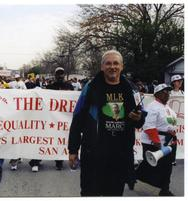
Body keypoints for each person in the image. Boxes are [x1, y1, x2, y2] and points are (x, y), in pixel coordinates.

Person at [68, 50, 146, 196]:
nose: (112, 67)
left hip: (120, 155)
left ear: (122, 66)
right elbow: (77, 118)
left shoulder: (131, 89)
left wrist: (138, 118)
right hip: (93, 154)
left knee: (114, 194)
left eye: (116, 63)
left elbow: (140, 120)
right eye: (108, 63)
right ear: (102, 67)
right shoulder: (91, 87)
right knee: (90, 194)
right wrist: (73, 149)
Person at [29, 67, 74, 172]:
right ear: (55, 75)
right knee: (45, 138)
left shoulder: (69, 86)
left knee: (60, 139)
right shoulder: (50, 86)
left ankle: (59, 162)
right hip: (50, 117)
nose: (60, 76)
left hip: (63, 118)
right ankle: (36, 160)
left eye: (61, 74)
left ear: (64, 75)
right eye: (58, 74)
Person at [135, 84, 177, 196]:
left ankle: (164, 189)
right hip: (154, 143)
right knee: (150, 166)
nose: (167, 94)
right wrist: (157, 141)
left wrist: (172, 134)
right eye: (164, 92)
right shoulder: (152, 107)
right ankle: (132, 176)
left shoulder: (167, 107)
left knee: (166, 166)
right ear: (157, 94)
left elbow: (170, 124)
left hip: (168, 141)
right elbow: (149, 126)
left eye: (168, 92)